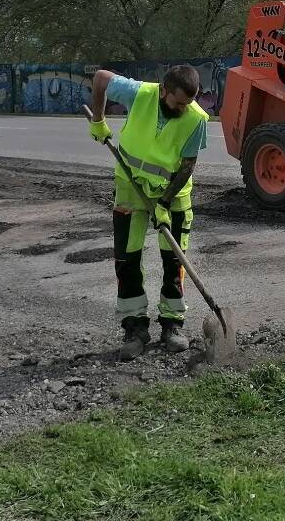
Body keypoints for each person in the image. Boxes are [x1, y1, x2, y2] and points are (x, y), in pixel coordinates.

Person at [87, 66, 209, 360]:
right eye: (178, 102)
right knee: (127, 259)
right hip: (131, 188)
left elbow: (187, 166)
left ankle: (172, 325)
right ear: (164, 89)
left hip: (173, 194)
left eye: (188, 103)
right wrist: (99, 121)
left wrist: (164, 204)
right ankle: (134, 327)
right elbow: (101, 78)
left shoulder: (197, 119)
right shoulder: (139, 93)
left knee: (174, 260)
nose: (183, 108)